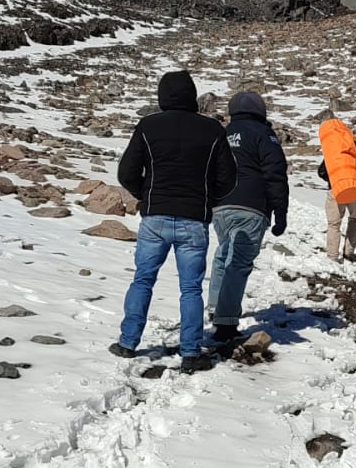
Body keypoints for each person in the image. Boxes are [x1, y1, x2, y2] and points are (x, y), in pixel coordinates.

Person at [111, 70, 237, 373]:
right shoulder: (213, 130)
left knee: (143, 279)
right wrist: (206, 201)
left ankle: (127, 343)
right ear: (191, 95)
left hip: (155, 217)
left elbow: (126, 172)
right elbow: (228, 179)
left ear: (162, 96)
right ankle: (191, 352)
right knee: (191, 289)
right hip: (194, 220)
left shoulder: (148, 126)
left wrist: (148, 195)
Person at [207, 89, 289, 349]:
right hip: (251, 205)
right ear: (260, 111)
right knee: (239, 262)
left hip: (221, 205)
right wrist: (280, 214)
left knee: (223, 253)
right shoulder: (264, 135)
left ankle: (215, 307)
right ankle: (226, 324)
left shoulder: (222, 134)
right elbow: (275, 174)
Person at [317, 109, 356, 261]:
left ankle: (332, 256)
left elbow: (321, 172)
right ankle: (349, 252)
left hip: (336, 191)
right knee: (355, 220)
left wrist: (336, 180)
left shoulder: (336, 153)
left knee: (334, 225)